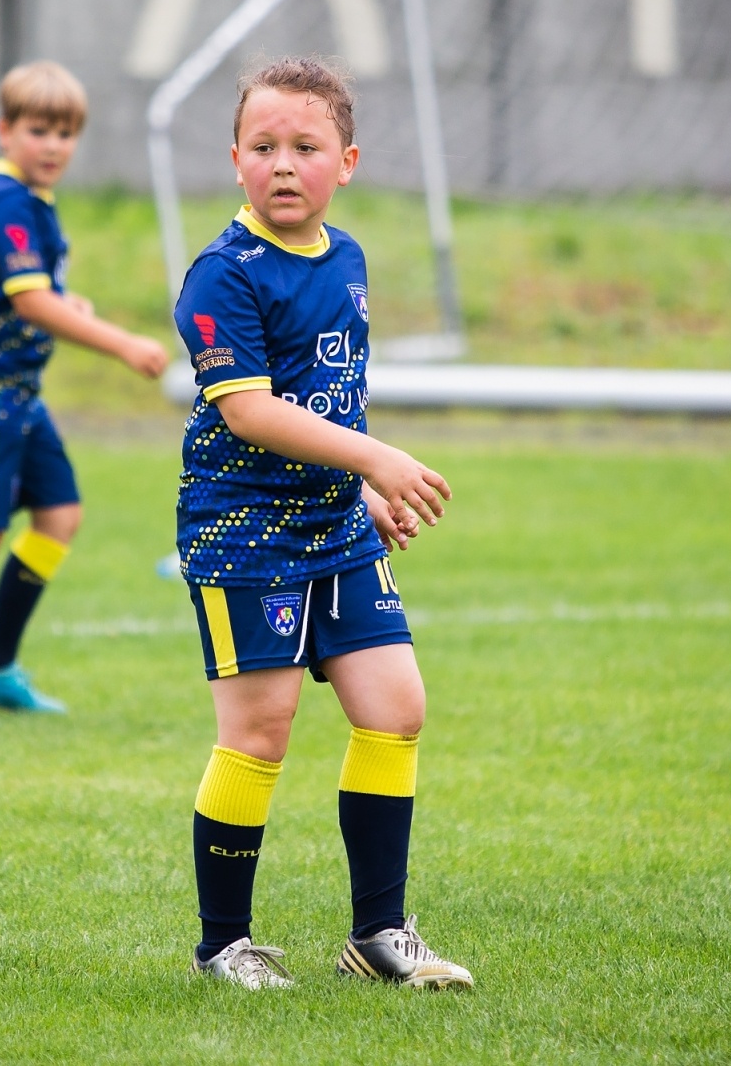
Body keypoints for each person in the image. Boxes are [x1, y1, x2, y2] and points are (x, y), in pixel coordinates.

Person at [172, 57, 473, 990]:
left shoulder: (347, 258)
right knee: (261, 730)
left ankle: (378, 935)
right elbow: (253, 411)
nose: (284, 165)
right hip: (245, 533)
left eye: (306, 147)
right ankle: (225, 945)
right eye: (264, 147)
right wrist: (376, 459)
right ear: (234, 161)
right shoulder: (222, 276)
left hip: (336, 525)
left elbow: (331, 396)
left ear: (346, 160)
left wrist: (364, 485)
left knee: (397, 706)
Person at [0, 61, 170, 724]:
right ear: (5, 130)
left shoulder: (32, 201)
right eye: (39, 130)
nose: (53, 145)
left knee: (59, 515)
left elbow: (26, 294)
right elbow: (29, 301)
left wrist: (59, 299)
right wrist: (122, 343)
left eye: (66, 133)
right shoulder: (7, 202)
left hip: (16, 391)